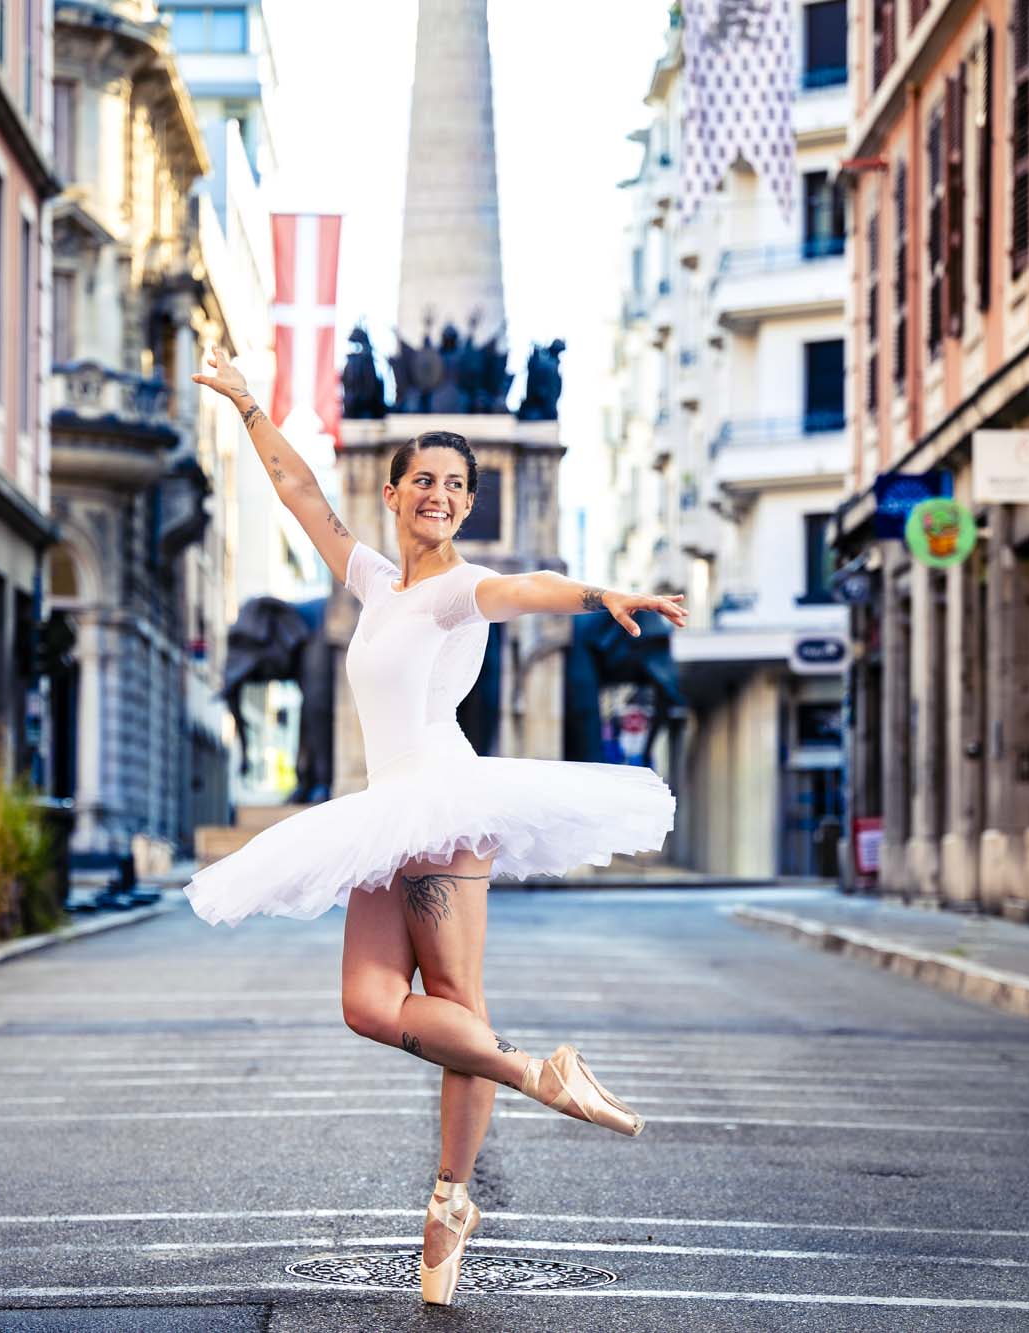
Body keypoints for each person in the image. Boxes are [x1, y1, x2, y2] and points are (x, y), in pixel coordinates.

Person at [184, 347, 687, 1306]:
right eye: (425, 480)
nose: (441, 496)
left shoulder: (461, 589)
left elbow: (529, 586)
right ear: (394, 490)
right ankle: (542, 1075)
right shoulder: (377, 582)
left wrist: (604, 596)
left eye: (456, 485)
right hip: (387, 815)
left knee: (455, 993)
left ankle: (453, 1197)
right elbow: (297, 491)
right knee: (369, 1005)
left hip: (445, 809)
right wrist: (249, 405)